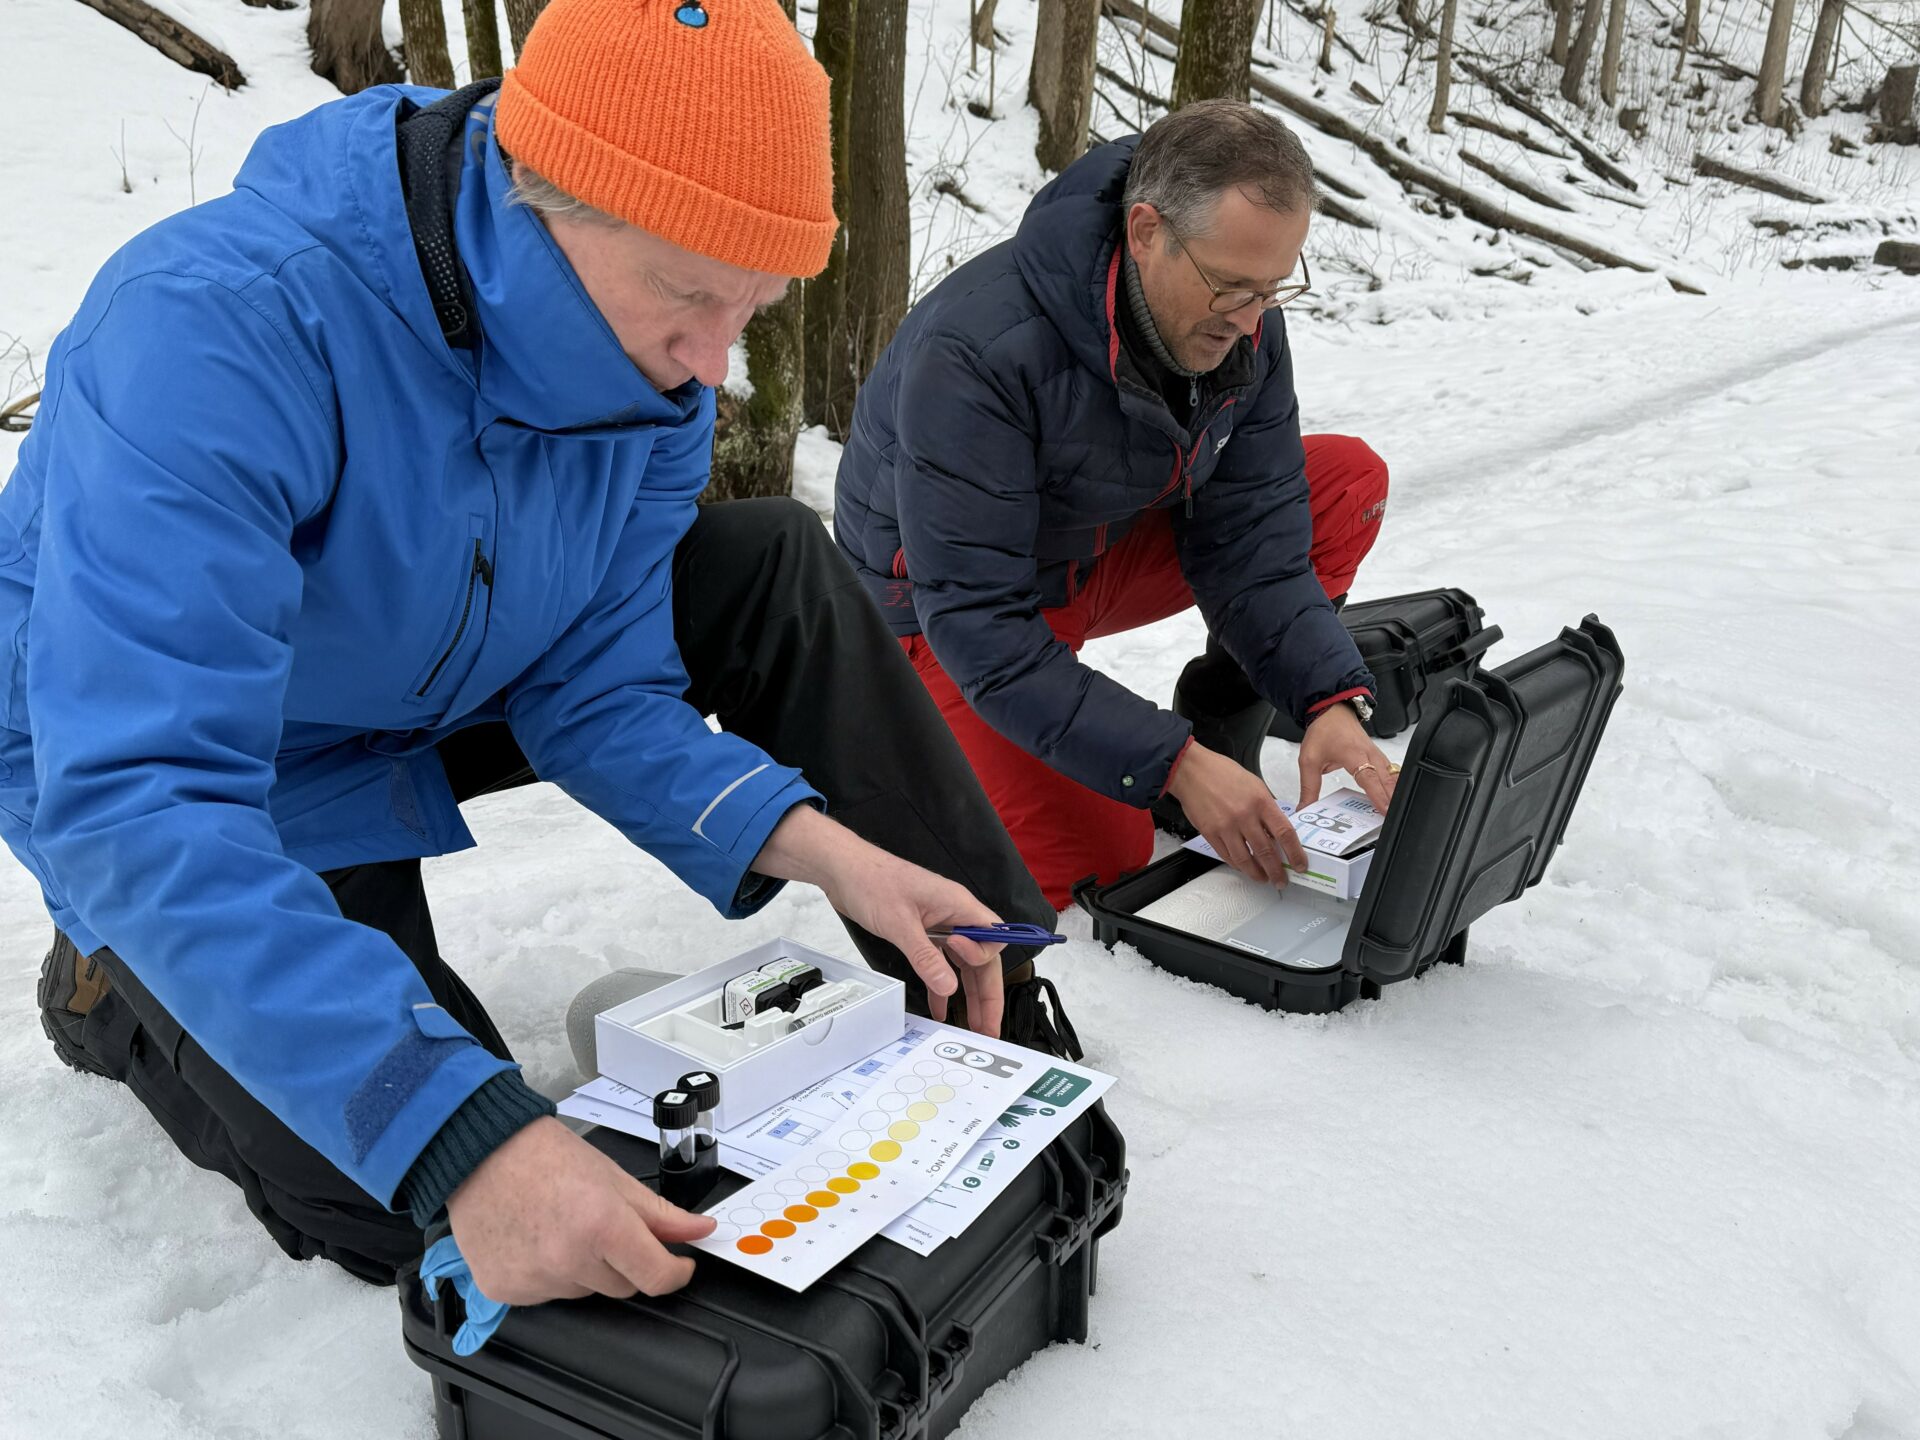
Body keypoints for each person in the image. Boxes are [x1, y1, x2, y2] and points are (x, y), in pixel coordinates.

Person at [5, 0, 1069, 1311]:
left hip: (435, 666)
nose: (712, 363)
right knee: (421, 1192)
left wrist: (824, 847)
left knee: (774, 559)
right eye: (689, 294)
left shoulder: (657, 377)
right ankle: (110, 983)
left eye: (754, 308)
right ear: (535, 200)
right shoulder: (216, 327)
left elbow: (600, 682)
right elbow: (143, 786)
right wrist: (473, 1139)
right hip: (219, 756)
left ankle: (987, 1010)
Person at [834, 101, 1401, 910]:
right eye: (1231, 287)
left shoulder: (1242, 324)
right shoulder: (978, 351)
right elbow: (981, 624)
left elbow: (1257, 541)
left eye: (1273, 289)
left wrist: (1327, 697)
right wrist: (1169, 762)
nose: (1251, 323)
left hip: (1096, 551)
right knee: (1099, 861)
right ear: (1145, 233)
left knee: (1343, 483)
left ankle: (1220, 712)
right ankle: (909, 755)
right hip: (942, 612)